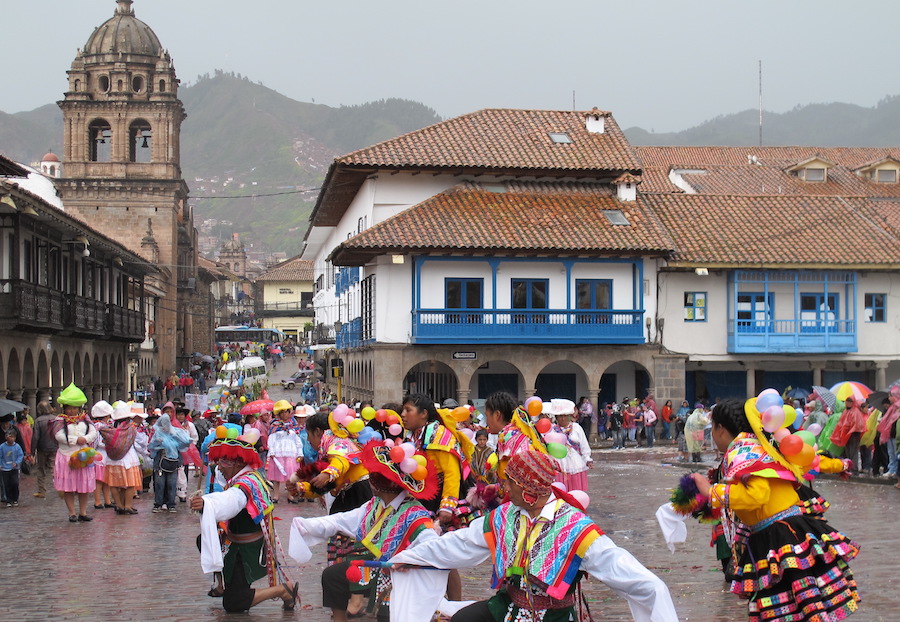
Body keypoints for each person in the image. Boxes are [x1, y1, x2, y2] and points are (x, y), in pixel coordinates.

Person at [389, 449, 679, 622]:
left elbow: (617, 565)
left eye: (511, 483)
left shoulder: (574, 529)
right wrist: (412, 558)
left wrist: (654, 591)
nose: (505, 488)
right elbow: (461, 543)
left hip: (552, 617)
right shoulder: (505, 516)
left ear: (528, 489)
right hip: (507, 605)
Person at [690, 399, 860, 622]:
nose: (712, 434)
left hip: (779, 537)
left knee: (788, 609)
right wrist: (842, 465)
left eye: (712, 428)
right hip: (788, 530)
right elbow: (809, 463)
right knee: (801, 606)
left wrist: (712, 491)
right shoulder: (763, 445)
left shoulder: (741, 451)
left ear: (721, 428)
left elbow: (757, 495)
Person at [289, 441, 439, 622]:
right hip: (377, 569)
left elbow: (432, 548)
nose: (369, 481)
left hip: (405, 577)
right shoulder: (374, 505)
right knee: (333, 575)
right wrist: (305, 525)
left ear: (381, 485)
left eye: (373, 479)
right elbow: (341, 520)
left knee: (388, 614)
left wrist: (408, 562)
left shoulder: (415, 515)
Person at [190, 425, 298, 613]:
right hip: (236, 545)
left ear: (238, 463)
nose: (219, 468)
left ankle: (284, 590)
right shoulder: (247, 477)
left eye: (224, 462)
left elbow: (231, 500)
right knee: (205, 540)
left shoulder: (245, 484)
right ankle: (223, 585)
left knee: (234, 604)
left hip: (245, 551)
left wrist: (206, 503)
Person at [53, 383, 98, 522]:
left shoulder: (85, 419)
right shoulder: (60, 421)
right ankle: (72, 512)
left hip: (83, 456)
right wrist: (74, 440)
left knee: (83, 486)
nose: (72, 411)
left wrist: (84, 439)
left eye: (74, 408)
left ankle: (83, 512)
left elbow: (94, 432)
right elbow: (58, 436)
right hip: (67, 456)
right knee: (69, 487)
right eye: (69, 408)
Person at [103, 402, 144, 515]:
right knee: (130, 484)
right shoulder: (131, 428)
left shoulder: (110, 428)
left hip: (112, 459)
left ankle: (119, 505)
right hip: (128, 458)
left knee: (115, 484)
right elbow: (138, 443)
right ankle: (128, 505)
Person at [148, 413, 192, 512]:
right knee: (160, 484)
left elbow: (185, 442)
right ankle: (159, 503)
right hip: (160, 460)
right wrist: (158, 443)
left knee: (172, 484)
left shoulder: (175, 432)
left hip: (172, 461)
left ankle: (171, 504)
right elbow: (151, 446)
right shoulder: (158, 433)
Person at [548, 398, 592, 491]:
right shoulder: (552, 430)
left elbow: (584, 445)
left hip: (575, 463)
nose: (563, 419)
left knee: (575, 491)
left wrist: (587, 458)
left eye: (565, 416)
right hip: (559, 463)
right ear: (556, 417)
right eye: (560, 416)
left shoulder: (576, 428)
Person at [267, 399, 304, 503]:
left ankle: (290, 495)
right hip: (278, 453)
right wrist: (272, 451)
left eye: (286, 411)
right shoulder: (275, 425)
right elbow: (271, 439)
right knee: (276, 475)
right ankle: (276, 496)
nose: (284, 414)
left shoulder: (294, 424)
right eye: (282, 412)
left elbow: (297, 439)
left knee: (291, 475)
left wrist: (300, 452)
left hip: (291, 452)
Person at [830, 397, 867, 473]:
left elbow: (857, 425)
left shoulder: (855, 412)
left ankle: (854, 469)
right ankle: (848, 467)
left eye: (849, 402)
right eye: (847, 402)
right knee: (848, 451)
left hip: (853, 434)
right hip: (846, 434)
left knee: (853, 452)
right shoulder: (846, 411)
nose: (847, 403)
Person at [31, 400, 58, 498]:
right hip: (55, 446)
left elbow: (35, 437)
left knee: (41, 469)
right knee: (54, 468)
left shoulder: (38, 420)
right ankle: (61, 487)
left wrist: (32, 452)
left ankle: (41, 490)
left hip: (42, 448)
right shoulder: (56, 419)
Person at [90, 400, 114, 510]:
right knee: (99, 481)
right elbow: (99, 442)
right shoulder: (100, 426)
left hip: (102, 455)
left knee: (104, 481)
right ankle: (98, 501)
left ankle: (106, 500)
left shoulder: (97, 425)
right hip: (100, 455)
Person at [0, 429, 24, 507]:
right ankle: (8, 499)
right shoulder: (2, 447)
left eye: (13, 437)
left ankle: (15, 498)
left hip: (14, 468)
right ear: (6, 437)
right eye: (10, 437)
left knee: (15, 482)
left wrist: (17, 462)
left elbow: (20, 455)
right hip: (5, 468)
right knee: (6, 484)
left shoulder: (17, 446)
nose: (11, 439)